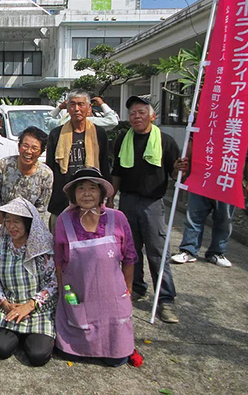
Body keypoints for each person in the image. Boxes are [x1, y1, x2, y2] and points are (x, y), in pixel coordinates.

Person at [109, 95, 184, 324]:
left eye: (141, 112)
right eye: (132, 113)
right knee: (130, 250)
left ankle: (166, 299)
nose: (136, 117)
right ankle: (137, 287)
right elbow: (117, 172)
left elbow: (174, 173)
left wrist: (180, 169)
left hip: (152, 203)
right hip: (128, 201)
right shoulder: (123, 139)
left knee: (157, 251)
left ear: (152, 115)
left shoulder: (165, 141)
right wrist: (111, 198)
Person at [54, 168, 137, 367]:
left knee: (117, 359)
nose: (87, 193)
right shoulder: (63, 221)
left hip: (112, 300)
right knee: (71, 354)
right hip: (78, 298)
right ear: (73, 194)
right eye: (81, 188)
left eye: (92, 188)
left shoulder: (118, 218)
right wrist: (63, 293)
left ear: (101, 193)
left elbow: (129, 257)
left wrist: (128, 289)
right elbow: (58, 262)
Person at [171, 126, 248, 268]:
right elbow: (193, 142)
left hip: (227, 180)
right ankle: (188, 250)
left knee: (224, 218)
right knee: (194, 216)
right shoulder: (208, 117)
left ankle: (217, 252)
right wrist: (184, 168)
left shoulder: (246, 124)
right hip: (202, 176)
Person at [0, 198, 57, 367]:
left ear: (28, 223)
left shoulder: (41, 249)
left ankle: (31, 335)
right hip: (10, 307)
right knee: (1, 349)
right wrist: (4, 303)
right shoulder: (1, 244)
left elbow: (53, 282)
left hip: (38, 311)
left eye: (17, 221)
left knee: (38, 355)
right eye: (8, 221)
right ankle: (17, 334)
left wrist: (30, 305)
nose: (11, 226)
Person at [46, 90, 111, 229]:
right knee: (60, 243)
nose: (76, 109)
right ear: (67, 108)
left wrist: (107, 198)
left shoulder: (99, 133)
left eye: (81, 104)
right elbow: (50, 168)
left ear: (88, 108)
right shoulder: (56, 134)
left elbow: (104, 165)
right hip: (62, 198)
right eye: (72, 104)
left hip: (91, 198)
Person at [0, 126, 53, 227]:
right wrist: (4, 222)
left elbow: (41, 208)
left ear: (41, 151)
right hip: (3, 222)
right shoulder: (4, 165)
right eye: (25, 146)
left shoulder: (46, 174)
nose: (28, 151)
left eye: (34, 148)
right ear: (19, 147)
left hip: (30, 225)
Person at [52, 96, 120, 130]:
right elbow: (113, 121)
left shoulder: (64, 121)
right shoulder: (91, 121)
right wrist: (102, 104)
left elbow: (47, 120)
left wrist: (59, 108)